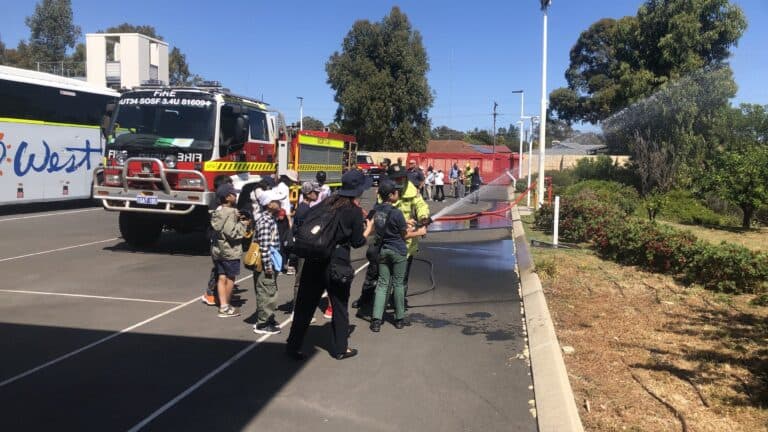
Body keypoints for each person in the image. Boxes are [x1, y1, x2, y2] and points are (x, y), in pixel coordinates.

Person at [286, 170, 374, 360]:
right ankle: (341, 348)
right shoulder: (353, 211)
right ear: (358, 190)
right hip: (337, 262)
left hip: (314, 258)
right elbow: (357, 241)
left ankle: (293, 345)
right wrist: (368, 228)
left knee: (304, 305)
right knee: (339, 306)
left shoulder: (327, 202)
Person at [369, 181, 427, 332]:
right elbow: (405, 235)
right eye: (395, 191)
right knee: (398, 284)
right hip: (398, 252)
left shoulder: (377, 210)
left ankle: (376, 320)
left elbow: (381, 225)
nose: (398, 193)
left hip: (383, 250)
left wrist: (405, 222)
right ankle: (399, 318)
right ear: (390, 195)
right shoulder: (396, 213)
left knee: (382, 284)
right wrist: (419, 232)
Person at [210, 183, 250, 318]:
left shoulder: (218, 211)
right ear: (228, 197)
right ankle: (225, 306)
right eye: (234, 194)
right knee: (230, 277)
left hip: (218, 250)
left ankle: (222, 303)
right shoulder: (231, 212)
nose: (236, 195)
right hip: (230, 250)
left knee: (221, 277)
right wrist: (243, 225)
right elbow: (232, 233)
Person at [251, 188, 286, 334]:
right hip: (268, 263)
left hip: (270, 261)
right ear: (269, 204)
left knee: (267, 290)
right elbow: (264, 247)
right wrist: (268, 266)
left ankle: (266, 318)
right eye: (276, 201)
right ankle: (263, 323)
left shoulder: (268, 218)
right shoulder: (266, 221)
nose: (280, 203)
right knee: (268, 292)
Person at [286, 181, 322, 314]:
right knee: (301, 279)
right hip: (303, 248)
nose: (317, 194)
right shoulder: (306, 210)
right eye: (315, 192)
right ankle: (297, 308)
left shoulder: (302, 207)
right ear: (308, 193)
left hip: (301, 247)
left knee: (303, 279)